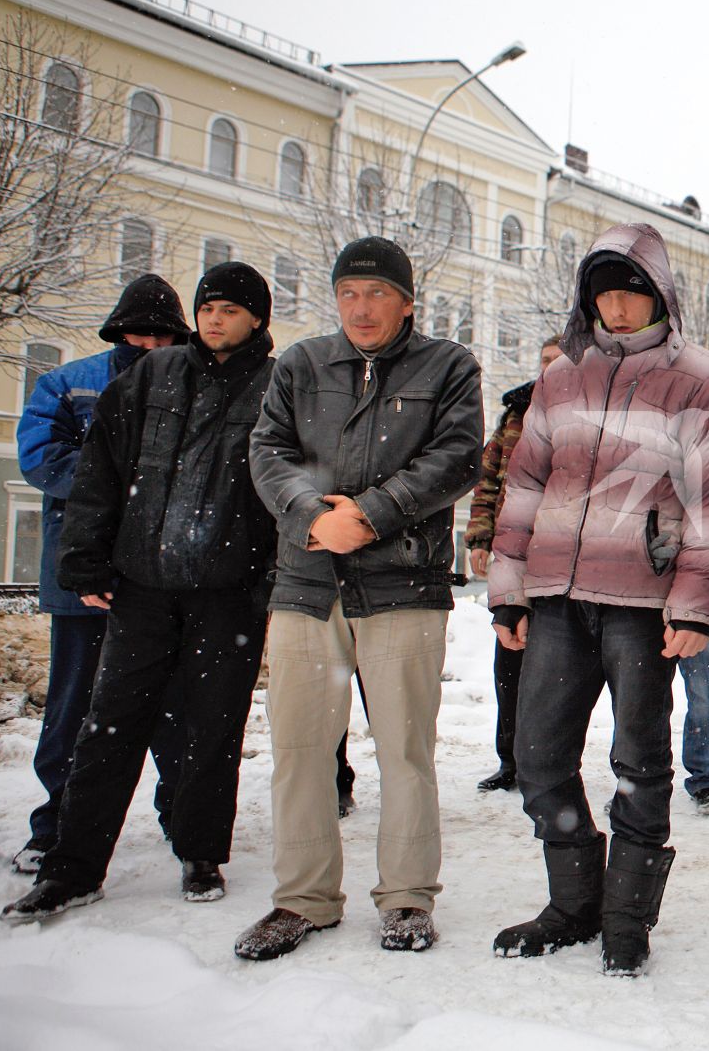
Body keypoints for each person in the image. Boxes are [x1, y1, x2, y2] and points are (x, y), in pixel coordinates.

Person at [486, 223, 709, 977]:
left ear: (659, 292)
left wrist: (696, 604)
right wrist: (510, 591)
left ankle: (627, 917)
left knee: (639, 760)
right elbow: (523, 484)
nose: (618, 304)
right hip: (559, 598)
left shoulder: (703, 379)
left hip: (641, 601)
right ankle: (574, 902)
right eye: (605, 289)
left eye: (632, 288)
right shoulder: (561, 378)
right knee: (538, 755)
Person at [2, 263, 277, 922]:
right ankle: (73, 865)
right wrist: (86, 563)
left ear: (257, 321)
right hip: (143, 583)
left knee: (212, 728)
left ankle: (200, 849)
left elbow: (285, 490)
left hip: (227, 591)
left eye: (230, 310)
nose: (214, 319)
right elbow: (99, 471)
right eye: (207, 306)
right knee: (109, 726)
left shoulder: (276, 389)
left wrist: (269, 578)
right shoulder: (151, 378)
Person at [236, 236, 483, 960]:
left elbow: (456, 456)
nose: (361, 307)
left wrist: (369, 513)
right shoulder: (301, 365)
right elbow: (266, 451)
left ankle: (408, 896)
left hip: (403, 582)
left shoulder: (448, 366)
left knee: (406, 748)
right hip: (306, 584)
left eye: (377, 293)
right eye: (349, 292)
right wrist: (315, 515)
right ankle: (302, 898)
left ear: (407, 302)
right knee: (301, 748)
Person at [11, 274, 189, 874]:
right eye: (139, 331)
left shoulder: (193, 384)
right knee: (74, 703)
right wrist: (115, 493)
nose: (149, 343)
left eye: (162, 334)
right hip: (79, 572)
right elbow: (39, 457)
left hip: (160, 574)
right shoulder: (67, 383)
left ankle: (181, 815)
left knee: (172, 701)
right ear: (118, 329)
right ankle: (55, 823)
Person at [465, 335, 563, 794]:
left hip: (563, 561)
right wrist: (480, 537)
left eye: (558, 361)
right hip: (513, 556)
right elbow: (489, 482)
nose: (549, 368)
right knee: (510, 665)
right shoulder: (515, 415)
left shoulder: (585, 412)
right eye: (544, 360)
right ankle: (510, 760)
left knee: (559, 672)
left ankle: (548, 763)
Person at [677, 620, 709, 815]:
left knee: (704, 695)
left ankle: (705, 780)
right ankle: (634, 781)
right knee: (638, 696)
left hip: (698, 606)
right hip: (645, 602)